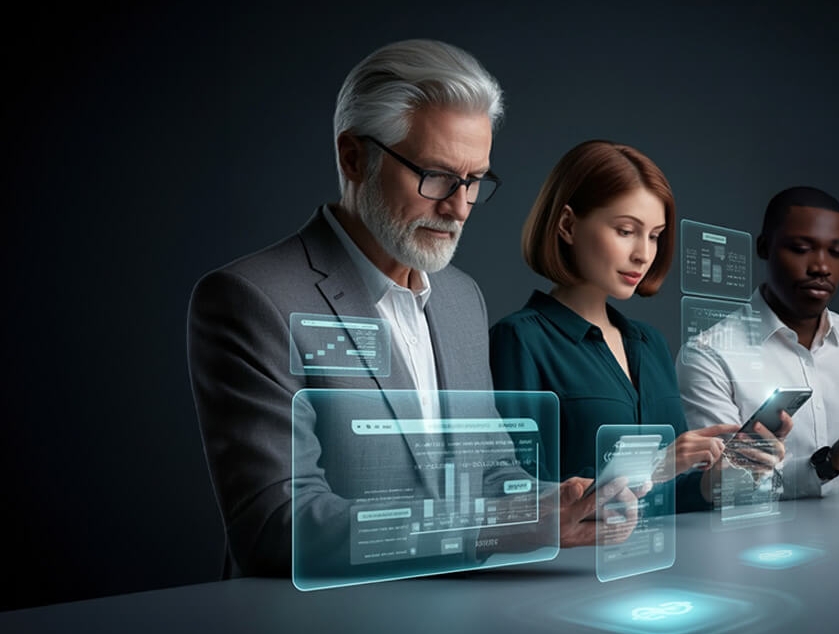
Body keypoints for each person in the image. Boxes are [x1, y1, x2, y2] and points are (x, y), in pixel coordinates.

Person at [187, 40, 623, 579]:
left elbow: (490, 473)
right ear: (354, 157)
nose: (459, 207)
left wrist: (569, 503)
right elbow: (279, 526)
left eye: (475, 180)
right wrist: (498, 525)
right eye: (436, 176)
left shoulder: (461, 297)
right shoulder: (252, 299)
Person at [489, 140, 789, 519]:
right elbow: (527, 497)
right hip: (577, 569)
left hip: (662, 562)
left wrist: (720, 477)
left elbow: (672, 492)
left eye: (654, 235)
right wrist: (652, 468)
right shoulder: (521, 339)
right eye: (626, 230)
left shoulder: (651, 344)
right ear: (567, 225)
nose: (644, 254)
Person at [676, 186, 839, 498]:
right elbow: (724, 488)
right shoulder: (708, 355)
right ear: (764, 247)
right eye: (802, 248)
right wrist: (826, 465)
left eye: (836, 252)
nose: (821, 267)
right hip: (756, 543)